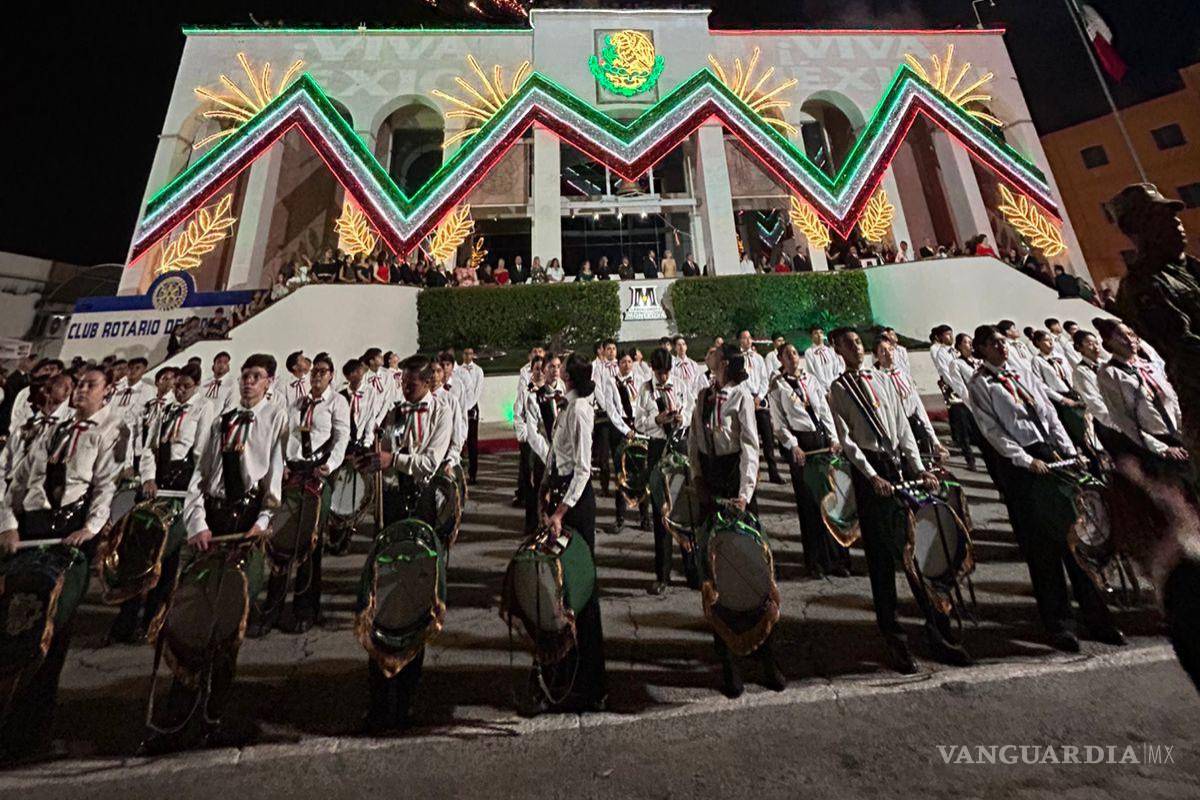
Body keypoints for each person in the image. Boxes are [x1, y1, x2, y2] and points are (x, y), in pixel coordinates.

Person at [967, 325, 1123, 652]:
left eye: (1003, 341)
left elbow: (1048, 412)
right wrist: (1024, 459)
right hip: (1024, 465)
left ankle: (1098, 618)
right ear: (982, 349)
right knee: (1043, 549)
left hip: (1053, 452)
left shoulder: (1020, 369)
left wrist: (1068, 450)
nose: (1003, 347)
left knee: (1076, 538)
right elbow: (992, 429)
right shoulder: (980, 383)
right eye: (995, 343)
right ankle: (1059, 623)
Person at [0, 365, 128, 759]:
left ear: (106, 393)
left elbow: (107, 486)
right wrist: (7, 525)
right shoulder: (49, 431)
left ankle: (31, 734)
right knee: (10, 629)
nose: (81, 391)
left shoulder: (111, 431)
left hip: (68, 537)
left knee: (51, 635)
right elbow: (16, 483)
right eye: (79, 384)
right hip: (29, 533)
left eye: (91, 385)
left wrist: (90, 528)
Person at [827, 328, 969, 674]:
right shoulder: (839, 388)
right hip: (872, 471)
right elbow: (848, 440)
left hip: (897, 464)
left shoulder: (883, 378)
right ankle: (894, 638)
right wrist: (870, 475)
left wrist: (919, 468)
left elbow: (903, 428)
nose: (857, 347)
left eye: (859, 343)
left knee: (917, 551)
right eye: (849, 344)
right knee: (881, 559)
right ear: (838, 350)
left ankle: (939, 632)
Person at [360, 355, 454, 732]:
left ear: (429, 381)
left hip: (423, 509)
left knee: (414, 603)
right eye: (404, 380)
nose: (407, 386)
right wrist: (373, 459)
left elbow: (430, 462)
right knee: (382, 604)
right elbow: (382, 453)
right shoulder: (393, 413)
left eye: (414, 380)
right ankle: (380, 697)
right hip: (392, 510)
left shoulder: (441, 413)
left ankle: (406, 695)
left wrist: (392, 459)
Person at [687, 344, 785, 697]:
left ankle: (766, 654)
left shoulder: (741, 396)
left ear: (724, 363)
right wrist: (697, 478)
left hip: (735, 481)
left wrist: (745, 493)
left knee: (752, 567)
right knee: (716, 572)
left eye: (713, 352)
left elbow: (749, 446)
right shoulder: (702, 395)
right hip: (710, 484)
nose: (708, 354)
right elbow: (694, 440)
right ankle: (727, 658)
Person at [525, 353, 608, 715]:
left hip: (575, 505)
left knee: (581, 590)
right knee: (559, 590)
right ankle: (564, 674)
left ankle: (592, 684)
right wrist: (545, 491)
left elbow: (584, 469)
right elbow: (557, 458)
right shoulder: (567, 406)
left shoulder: (579, 410)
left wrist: (560, 511)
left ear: (571, 379)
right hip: (559, 496)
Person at [254, 353, 349, 637]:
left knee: (310, 544)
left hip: (316, 475)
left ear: (331, 375)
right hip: (292, 475)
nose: (317, 376)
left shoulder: (337, 403)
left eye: (322, 371)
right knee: (280, 542)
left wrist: (330, 465)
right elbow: (285, 437)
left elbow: (341, 437)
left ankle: (306, 609)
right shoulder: (298, 403)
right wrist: (280, 465)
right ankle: (272, 609)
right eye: (314, 372)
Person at [769, 343, 851, 578]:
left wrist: (834, 438)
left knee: (832, 501)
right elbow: (779, 423)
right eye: (788, 355)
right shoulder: (778, 388)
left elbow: (824, 410)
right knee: (810, 506)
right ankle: (815, 561)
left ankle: (838, 559)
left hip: (823, 443)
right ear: (780, 359)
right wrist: (793, 445)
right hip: (802, 447)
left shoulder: (810, 380)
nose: (793, 358)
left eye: (795, 353)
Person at [636, 348, 692, 594]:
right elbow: (638, 422)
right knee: (662, 513)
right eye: (659, 372)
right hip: (658, 449)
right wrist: (656, 421)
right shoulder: (645, 390)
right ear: (652, 368)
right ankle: (662, 574)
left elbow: (691, 409)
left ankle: (693, 572)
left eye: (667, 372)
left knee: (685, 511)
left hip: (680, 447)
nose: (663, 376)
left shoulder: (680, 383)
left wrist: (682, 419)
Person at [874, 339, 947, 464]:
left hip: (913, 423)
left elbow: (917, 405)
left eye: (890, 349)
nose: (888, 353)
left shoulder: (902, 374)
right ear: (876, 356)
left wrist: (934, 439)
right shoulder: (877, 378)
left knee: (927, 461)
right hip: (896, 428)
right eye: (882, 351)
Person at [608, 350, 648, 534]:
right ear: (618, 364)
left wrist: (640, 428)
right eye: (623, 362)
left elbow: (644, 405)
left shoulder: (640, 380)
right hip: (622, 431)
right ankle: (620, 517)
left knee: (642, 472)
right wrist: (626, 430)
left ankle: (644, 517)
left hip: (639, 429)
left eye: (629, 361)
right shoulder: (612, 382)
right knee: (622, 474)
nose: (627, 365)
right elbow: (612, 411)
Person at [739, 330, 784, 484]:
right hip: (746, 401)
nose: (747, 340)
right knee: (751, 439)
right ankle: (754, 473)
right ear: (739, 340)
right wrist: (750, 399)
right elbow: (740, 380)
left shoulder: (758, 358)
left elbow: (764, 379)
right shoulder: (738, 359)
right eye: (744, 338)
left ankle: (773, 471)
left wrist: (759, 397)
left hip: (760, 400)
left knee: (768, 437)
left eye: (749, 337)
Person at [457, 348, 484, 484]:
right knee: (460, 438)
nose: (468, 356)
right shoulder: (458, 370)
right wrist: (462, 406)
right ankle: (459, 471)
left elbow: (478, 390)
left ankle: (473, 473)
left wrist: (469, 406)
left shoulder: (478, 370)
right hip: (460, 406)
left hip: (472, 406)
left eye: (470, 353)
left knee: (473, 440)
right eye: (465, 353)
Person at [802, 326, 843, 394]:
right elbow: (813, 372)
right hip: (821, 388)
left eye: (821, 333)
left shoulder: (830, 350)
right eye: (816, 333)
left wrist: (834, 383)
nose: (819, 335)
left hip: (835, 385)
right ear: (811, 337)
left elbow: (837, 368)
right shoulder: (809, 352)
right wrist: (826, 386)